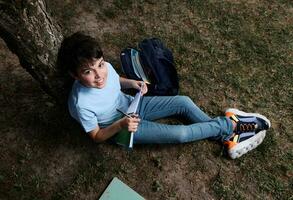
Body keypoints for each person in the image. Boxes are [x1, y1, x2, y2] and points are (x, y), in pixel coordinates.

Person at [57, 32, 271, 159]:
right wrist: (121, 125)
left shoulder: (106, 68)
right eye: (88, 72)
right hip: (122, 128)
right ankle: (234, 126)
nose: (98, 75)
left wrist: (132, 82)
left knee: (183, 102)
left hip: (133, 105)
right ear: (74, 75)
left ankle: (228, 137)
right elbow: (96, 137)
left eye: (100, 65)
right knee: (181, 135)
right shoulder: (80, 103)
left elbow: (115, 80)